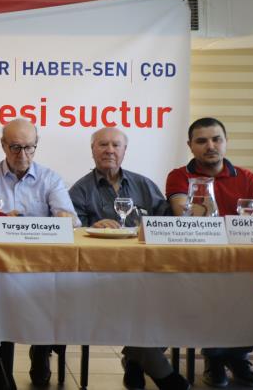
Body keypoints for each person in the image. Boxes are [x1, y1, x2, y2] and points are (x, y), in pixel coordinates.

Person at [69, 127, 187, 390]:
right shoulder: (79, 190)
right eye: (102, 145)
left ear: (125, 150)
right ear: (92, 150)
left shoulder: (144, 184)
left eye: (116, 145)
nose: (109, 150)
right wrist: (90, 228)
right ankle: (165, 376)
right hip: (103, 277)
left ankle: (135, 358)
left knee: (180, 297)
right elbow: (72, 233)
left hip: (150, 271)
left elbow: (167, 223)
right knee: (138, 304)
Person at [0, 118, 77, 389]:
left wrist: (61, 217)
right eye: (15, 147)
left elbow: (70, 219)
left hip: (42, 266)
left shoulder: (50, 178)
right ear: (3, 146)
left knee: (52, 294)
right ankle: (1, 375)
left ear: (36, 145)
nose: (23, 154)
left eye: (29, 147)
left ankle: (41, 353)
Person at [166, 117, 253, 388]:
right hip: (198, 262)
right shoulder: (179, 176)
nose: (210, 146)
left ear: (226, 142)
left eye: (216, 139)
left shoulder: (246, 177)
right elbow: (185, 214)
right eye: (202, 141)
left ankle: (237, 357)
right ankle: (215, 357)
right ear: (190, 146)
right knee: (212, 291)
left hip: (241, 261)